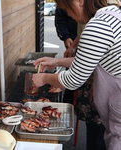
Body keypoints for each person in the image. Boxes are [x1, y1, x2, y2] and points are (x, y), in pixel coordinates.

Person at [33, 0, 121, 149]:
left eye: (66, 8)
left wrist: (43, 78)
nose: (68, 13)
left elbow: (73, 79)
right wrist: (55, 62)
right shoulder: (112, 15)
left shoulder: (98, 27)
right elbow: (88, 60)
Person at [55, 7, 106, 150]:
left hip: (105, 87)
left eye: (70, 10)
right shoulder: (92, 18)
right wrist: (69, 49)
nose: (70, 15)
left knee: (99, 133)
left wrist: (46, 78)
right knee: (94, 128)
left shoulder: (101, 21)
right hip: (93, 80)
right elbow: (82, 35)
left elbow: (74, 77)